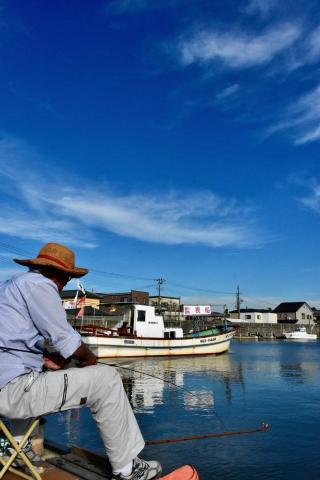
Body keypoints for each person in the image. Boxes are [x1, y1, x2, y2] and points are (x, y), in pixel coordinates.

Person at [0, 242, 162, 480]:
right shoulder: (40, 286)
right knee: (106, 379)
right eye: (67, 277)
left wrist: (44, 358)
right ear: (58, 273)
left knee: (35, 375)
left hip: (6, 386)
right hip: (11, 392)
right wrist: (90, 359)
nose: (65, 283)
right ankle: (128, 469)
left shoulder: (10, 286)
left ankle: (18, 444)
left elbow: (12, 343)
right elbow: (67, 341)